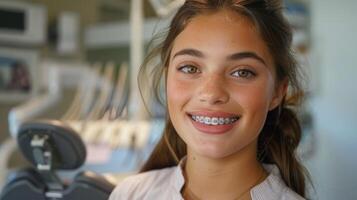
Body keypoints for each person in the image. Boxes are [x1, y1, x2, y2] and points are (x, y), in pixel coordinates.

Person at [110, 0, 310, 199]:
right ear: (167, 78)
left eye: (242, 72)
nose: (211, 94)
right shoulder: (130, 194)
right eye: (190, 68)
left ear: (277, 92)